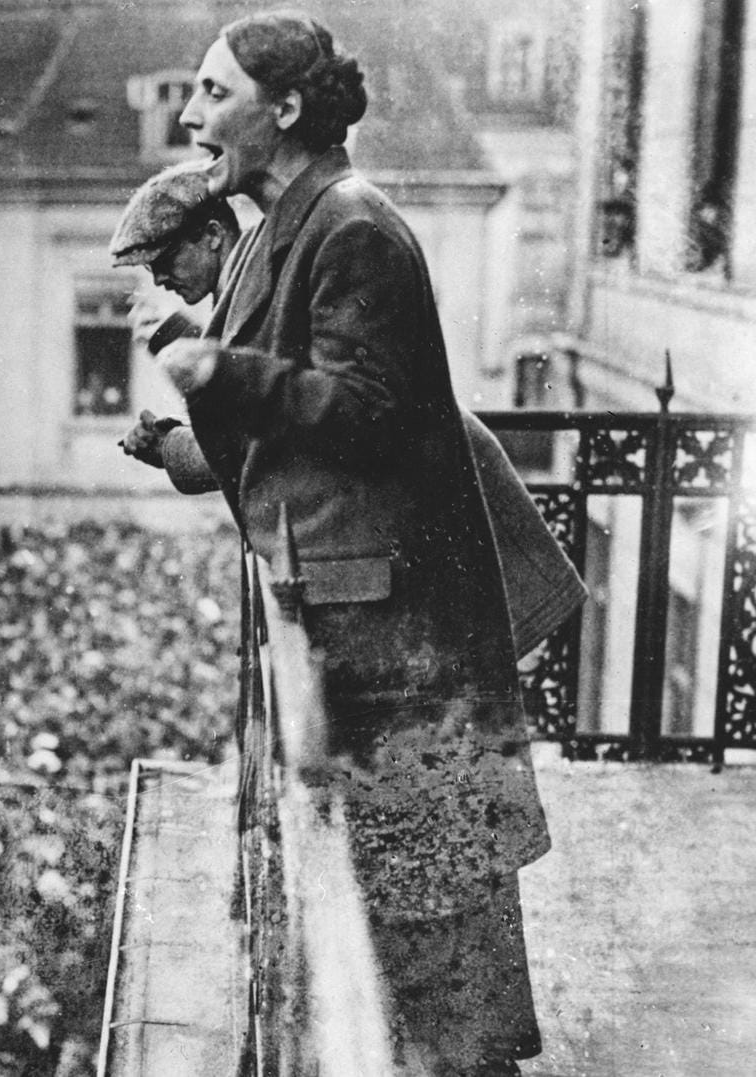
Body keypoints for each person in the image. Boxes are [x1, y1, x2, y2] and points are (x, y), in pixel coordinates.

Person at [138, 12, 558, 1074]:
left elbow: (368, 410)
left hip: (398, 637)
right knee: (403, 908)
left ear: (282, 111)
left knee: (432, 915)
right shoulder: (289, 225)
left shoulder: (353, 225)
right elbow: (300, 427)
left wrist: (215, 372)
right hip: (350, 616)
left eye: (213, 93)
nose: (192, 116)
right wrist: (196, 445)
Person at [108, 161, 586, 660]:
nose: (159, 279)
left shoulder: (281, 263)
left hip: (423, 537)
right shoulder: (254, 265)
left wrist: (167, 444)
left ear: (210, 235)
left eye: (164, 260)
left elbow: (257, 435)